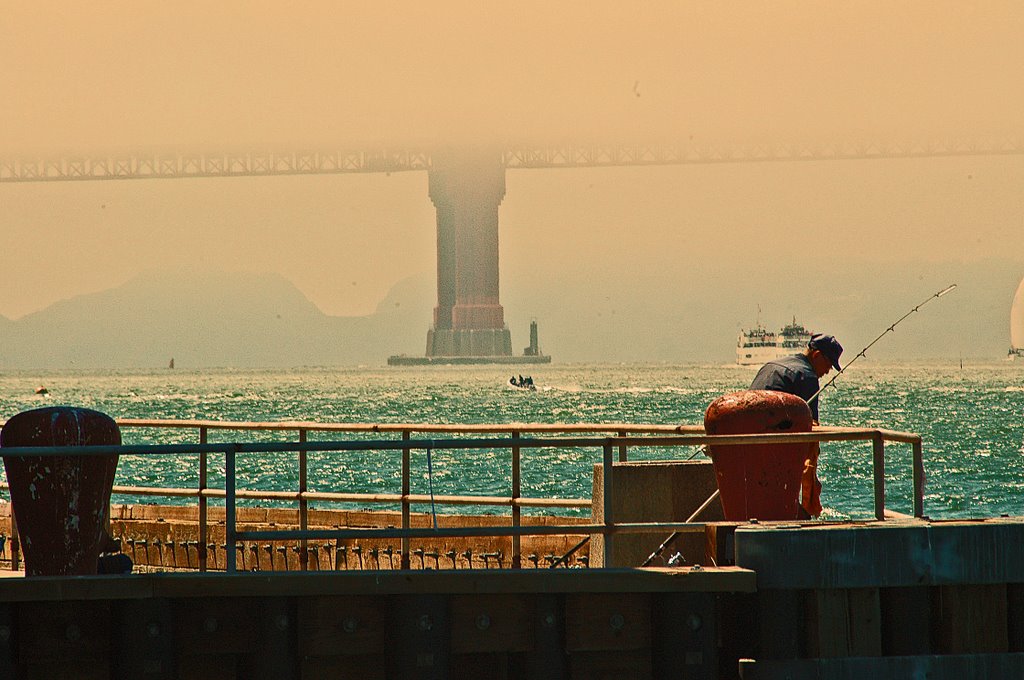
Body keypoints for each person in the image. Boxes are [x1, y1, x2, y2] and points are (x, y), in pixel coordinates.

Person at [749, 333, 843, 518]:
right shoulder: (806, 376)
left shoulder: (772, 365)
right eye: (829, 364)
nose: (828, 371)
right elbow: (811, 427)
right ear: (816, 356)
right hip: (774, 442)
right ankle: (805, 510)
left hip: (748, 437)